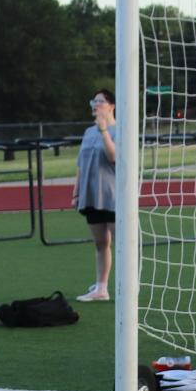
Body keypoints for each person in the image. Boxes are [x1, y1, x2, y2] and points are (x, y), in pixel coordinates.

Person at [73, 87, 118, 303]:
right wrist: (76, 192)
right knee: (101, 243)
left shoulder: (119, 130)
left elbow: (113, 157)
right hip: (91, 195)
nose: (95, 104)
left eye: (99, 101)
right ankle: (101, 287)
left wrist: (104, 131)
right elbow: (80, 164)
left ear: (111, 106)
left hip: (113, 195)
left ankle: (128, 285)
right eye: (93, 101)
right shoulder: (88, 132)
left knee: (121, 243)